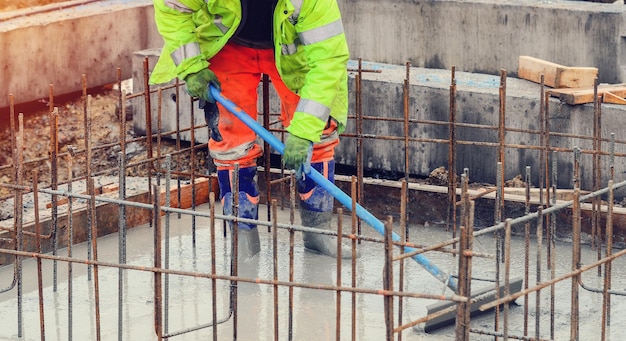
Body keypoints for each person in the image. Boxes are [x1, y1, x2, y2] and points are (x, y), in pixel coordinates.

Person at [150, 0, 352, 259]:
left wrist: (304, 132)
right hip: (228, 44)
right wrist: (191, 66)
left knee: (319, 134)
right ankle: (243, 237)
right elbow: (172, 7)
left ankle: (318, 234)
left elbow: (328, 59)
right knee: (231, 143)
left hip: (292, 50)